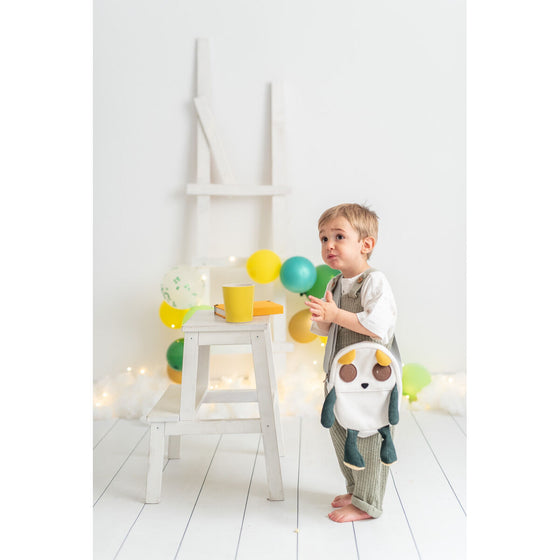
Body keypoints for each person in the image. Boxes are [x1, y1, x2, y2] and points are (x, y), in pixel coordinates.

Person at [305, 203, 397, 523]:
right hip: (342, 377)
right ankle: (356, 488)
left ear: (366, 244)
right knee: (343, 434)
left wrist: (336, 314)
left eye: (339, 237)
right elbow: (326, 329)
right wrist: (323, 317)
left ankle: (368, 502)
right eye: (323, 238)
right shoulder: (334, 284)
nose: (329, 245)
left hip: (370, 381)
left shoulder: (374, 281)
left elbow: (377, 326)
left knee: (368, 436)